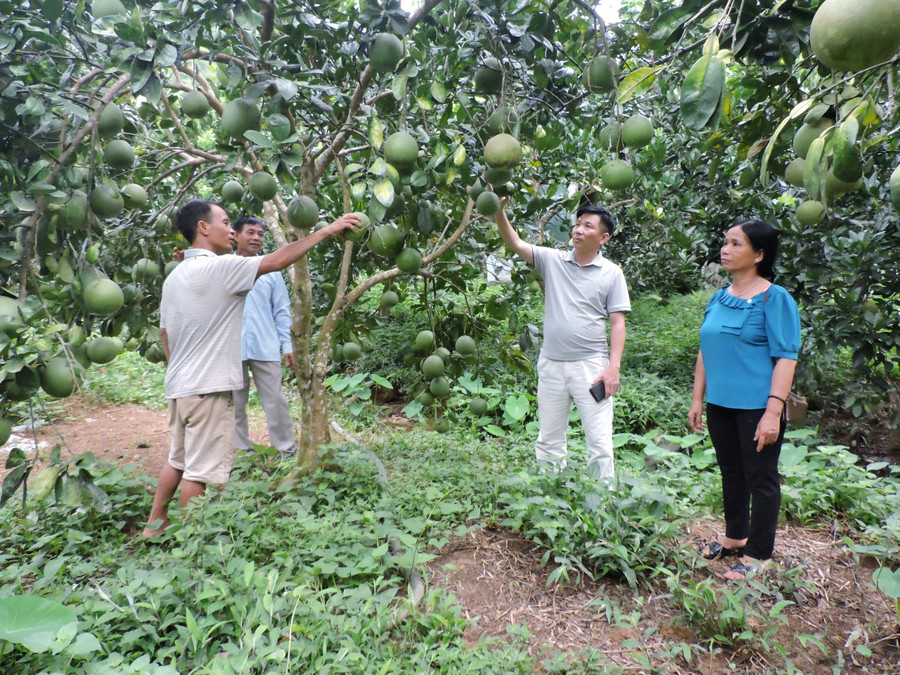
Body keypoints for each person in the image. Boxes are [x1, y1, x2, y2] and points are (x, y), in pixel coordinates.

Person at [142, 199, 358, 537]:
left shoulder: (175, 277)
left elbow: (165, 332)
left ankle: (154, 526)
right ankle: (193, 543)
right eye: (225, 222)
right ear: (203, 228)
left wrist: (179, 368)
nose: (231, 229)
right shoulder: (220, 267)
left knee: (177, 459)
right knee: (198, 473)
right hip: (208, 387)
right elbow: (276, 260)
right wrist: (327, 231)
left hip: (179, 385)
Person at [688, 218, 801, 580]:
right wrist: (697, 399)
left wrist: (773, 411)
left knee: (761, 479)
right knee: (732, 473)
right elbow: (706, 349)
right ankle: (736, 536)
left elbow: (786, 356)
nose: (726, 249)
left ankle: (759, 554)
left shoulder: (774, 298)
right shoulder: (720, 297)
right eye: (725, 242)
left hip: (756, 406)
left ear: (759, 254)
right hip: (721, 404)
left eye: (736, 244)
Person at [494, 200, 630, 478]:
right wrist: (499, 210)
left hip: (591, 367)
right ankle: (549, 493)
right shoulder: (552, 260)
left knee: (600, 441)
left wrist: (613, 368)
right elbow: (515, 243)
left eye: (587, 226)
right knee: (549, 438)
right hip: (552, 364)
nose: (578, 229)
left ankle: (603, 499)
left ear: (603, 238)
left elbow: (618, 323)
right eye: (578, 223)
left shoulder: (612, 273)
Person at [231, 215, 296, 459]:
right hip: (230, 346)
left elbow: (281, 309)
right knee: (235, 403)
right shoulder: (223, 265)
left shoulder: (272, 269)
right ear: (235, 235)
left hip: (264, 344)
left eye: (260, 233)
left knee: (275, 401)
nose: (256, 237)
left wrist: (287, 345)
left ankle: (286, 450)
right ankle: (242, 452)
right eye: (250, 232)